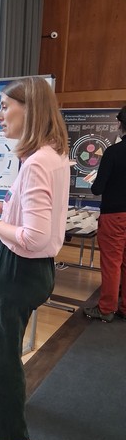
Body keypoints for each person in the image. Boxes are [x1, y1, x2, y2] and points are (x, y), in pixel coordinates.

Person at [0, 77, 70, 440]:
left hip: (17, 268)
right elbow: (35, 212)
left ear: (30, 110)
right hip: (32, 270)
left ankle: (10, 436)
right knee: (4, 346)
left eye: (4, 107)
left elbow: (34, 237)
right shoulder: (51, 154)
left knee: (2, 352)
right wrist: (3, 206)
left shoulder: (38, 162)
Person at [83, 106, 126, 323]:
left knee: (112, 263)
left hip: (114, 216)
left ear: (120, 124)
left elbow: (97, 188)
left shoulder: (113, 152)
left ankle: (106, 308)